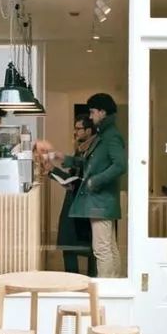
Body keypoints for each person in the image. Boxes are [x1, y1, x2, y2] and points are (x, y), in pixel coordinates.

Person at [62, 93, 127, 278]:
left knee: (102, 249)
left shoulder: (111, 136)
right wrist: (64, 159)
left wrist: (95, 181)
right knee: (109, 247)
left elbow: (121, 165)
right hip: (101, 200)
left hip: (101, 201)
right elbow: (90, 164)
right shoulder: (105, 134)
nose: (90, 117)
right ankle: (114, 285)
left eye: (92, 112)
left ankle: (106, 289)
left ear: (102, 112)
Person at [54, 115, 97, 277]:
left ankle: (85, 280)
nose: (75, 132)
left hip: (83, 203)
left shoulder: (91, 151)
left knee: (80, 246)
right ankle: (74, 279)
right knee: (70, 244)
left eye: (79, 128)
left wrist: (53, 170)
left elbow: (76, 180)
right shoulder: (80, 148)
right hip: (76, 201)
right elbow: (71, 179)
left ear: (89, 130)